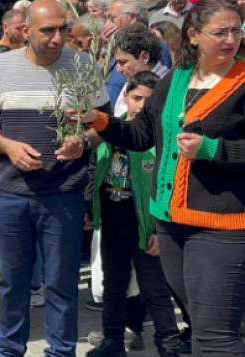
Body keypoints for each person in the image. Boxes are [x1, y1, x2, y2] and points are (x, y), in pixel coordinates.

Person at [80, 0, 245, 355]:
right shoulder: (175, 79)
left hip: (221, 227)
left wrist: (212, 150)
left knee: (217, 334)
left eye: (237, 30)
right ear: (194, 36)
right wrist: (100, 121)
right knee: (202, 326)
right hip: (169, 225)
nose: (231, 40)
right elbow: (141, 135)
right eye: (221, 32)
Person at [0, 0, 110, 357]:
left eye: (63, 28)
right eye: (48, 30)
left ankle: (61, 352)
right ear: (26, 30)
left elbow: (103, 123)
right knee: (12, 282)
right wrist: (8, 146)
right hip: (12, 194)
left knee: (62, 284)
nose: (58, 37)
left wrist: (84, 141)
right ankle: (9, 349)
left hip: (62, 194)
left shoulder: (82, 66)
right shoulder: (0, 67)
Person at [85, 71, 182, 357]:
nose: (140, 106)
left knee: (155, 290)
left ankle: (169, 346)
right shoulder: (111, 131)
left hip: (145, 226)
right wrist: (90, 205)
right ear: (125, 97)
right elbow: (95, 171)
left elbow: (168, 184)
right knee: (113, 285)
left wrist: (157, 230)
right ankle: (112, 341)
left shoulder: (157, 139)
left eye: (148, 101)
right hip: (114, 222)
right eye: (136, 97)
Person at [110, 25, 169, 116]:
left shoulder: (165, 85)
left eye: (123, 62)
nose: (118, 69)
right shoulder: (133, 77)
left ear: (144, 57)